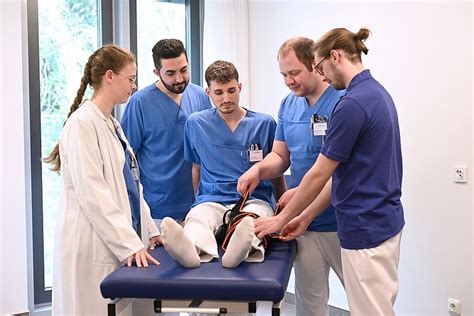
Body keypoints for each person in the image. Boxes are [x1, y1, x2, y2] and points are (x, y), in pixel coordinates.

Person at [253, 28, 405, 316]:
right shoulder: (375, 93)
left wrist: (283, 218)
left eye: (320, 67)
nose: (323, 75)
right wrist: (301, 206)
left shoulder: (350, 103)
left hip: (362, 224)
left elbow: (321, 173)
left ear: (333, 57)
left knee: (370, 310)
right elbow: (353, 168)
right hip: (377, 219)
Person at [44, 45, 160, 315]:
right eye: (130, 79)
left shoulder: (111, 123)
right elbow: (93, 193)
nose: (133, 86)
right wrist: (130, 244)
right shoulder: (82, 123)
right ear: (110, 76)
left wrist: (150, 229)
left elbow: (131, 185)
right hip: (90, 243)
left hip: (114, 240)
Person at [237, 37, 345, 316]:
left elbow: (339, 169)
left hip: (342, 221)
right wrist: (258, 169)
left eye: (294, 73)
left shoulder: (342, 101)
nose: (288, 81)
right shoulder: (288, 104)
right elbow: (280, 156)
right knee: (309, 304)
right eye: (283, 74)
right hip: (302, 224)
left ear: (315, 64)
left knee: (363, 300)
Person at [160, 60, 286, 268]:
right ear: (208, 92)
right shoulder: (195, 123)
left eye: (231, 91)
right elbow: (196, 169)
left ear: (240, 88)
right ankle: (190, 250)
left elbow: (276, 170)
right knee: (198, 220)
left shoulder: (264, 124)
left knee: (252, 221)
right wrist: (196, 203)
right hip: (212, 199)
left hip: (253, 199)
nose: (226, 98)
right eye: (219, 93)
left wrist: (281, 208)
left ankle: (239, 249)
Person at [121, 39, 212, 230]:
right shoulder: (140, 103)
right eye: (170, 73)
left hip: (199, 208)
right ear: (156, 72)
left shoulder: (201, 96)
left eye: (184, 70)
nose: (179, 79)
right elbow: (126, 160)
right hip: (156, 212)